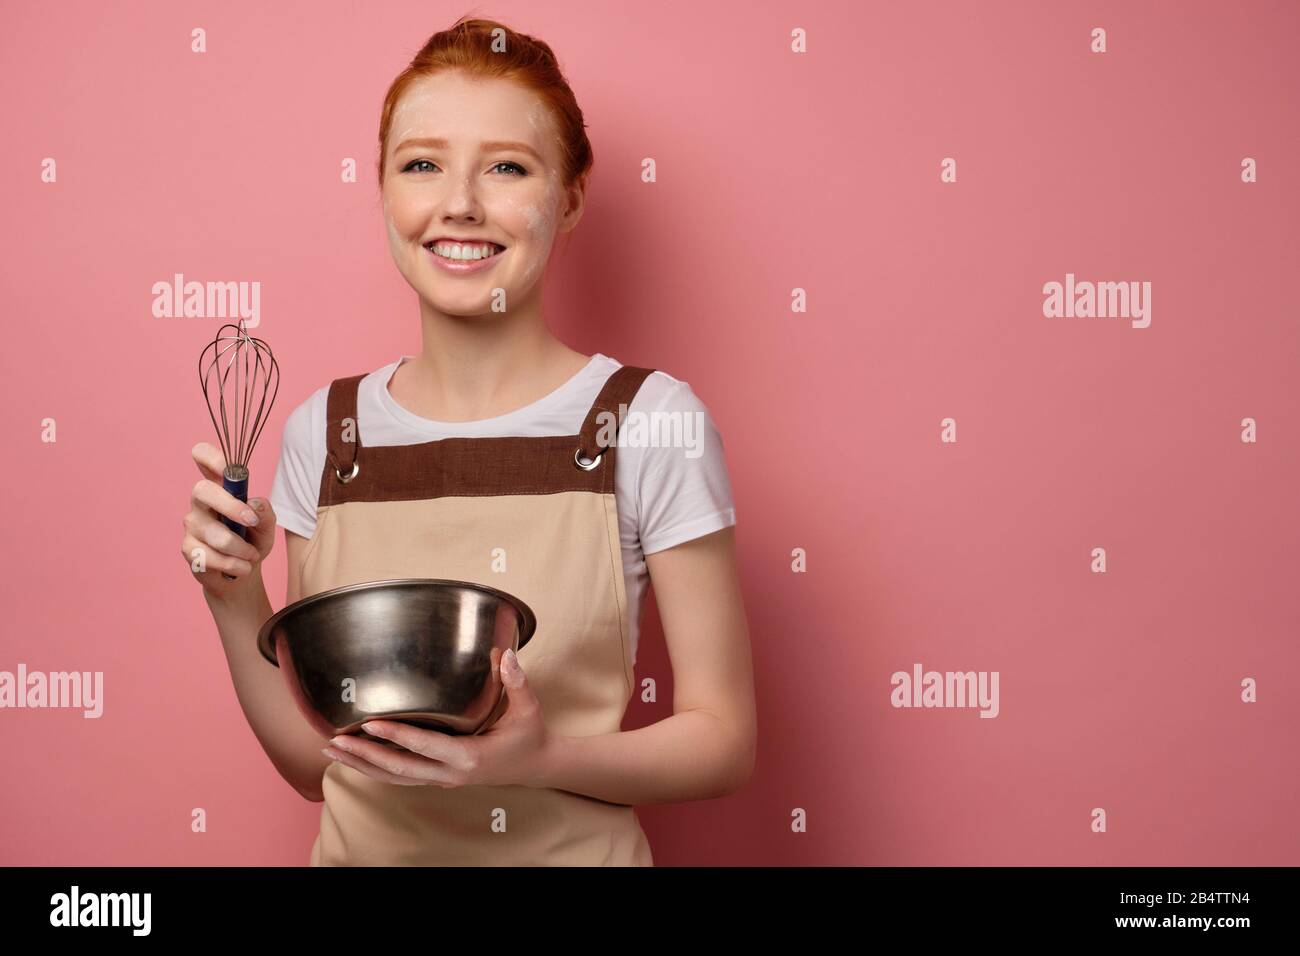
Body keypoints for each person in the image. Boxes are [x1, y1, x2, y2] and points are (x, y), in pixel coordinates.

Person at [181, 16, 755, 866]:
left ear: (569, 196)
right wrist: (234, 597)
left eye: (507, 168)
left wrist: (539, 759)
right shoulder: (325, 434)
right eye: (422, 165)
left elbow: (724, 741)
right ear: (382, 189)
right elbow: (317, 765)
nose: (459, 204)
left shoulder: (646, 419)